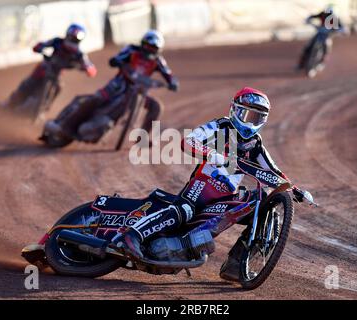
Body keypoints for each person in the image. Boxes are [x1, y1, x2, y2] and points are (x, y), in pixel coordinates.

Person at [115, 87, 307, 282]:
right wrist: (212, 154)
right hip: (202, 187)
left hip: (225, 197)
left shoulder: (256, 144)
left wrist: (295, 189)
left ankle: (236, 264)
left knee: (260, 209)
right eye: (247, 114)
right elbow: (188, 141)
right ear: (235, 110)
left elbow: (274, 172)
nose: (250, 122)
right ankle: (133, 236)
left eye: (256, 118)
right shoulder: (220, 125)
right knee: (184, 210)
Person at [46, 29, 179, 140]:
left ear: (158, 50)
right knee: (95, 99)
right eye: (148, 46)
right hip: (117, 86)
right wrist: (116, 61)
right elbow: (118, 57)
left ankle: (142, 139)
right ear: (142, 44)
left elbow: (168, 74)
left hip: (138, 92)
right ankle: (67, 126)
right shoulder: (132, 50)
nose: (149, 50)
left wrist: (172, 83)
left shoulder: (158, 61)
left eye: (153, 48)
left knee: (156, 106)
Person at [1, 24, 96, 110]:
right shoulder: (57, 41)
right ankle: (10, 103)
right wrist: (39, 47)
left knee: (59, 87)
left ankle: (45, 107)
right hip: (45, 68)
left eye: (75, 39)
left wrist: (89, 69)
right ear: (68, 35)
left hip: (57, 74)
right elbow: (43, 44)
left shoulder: (79, 54)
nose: (72, 41)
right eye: (72, 38)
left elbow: (89, 65)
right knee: (28, 84)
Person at [297, 5, 346, 72]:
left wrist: (340, 30)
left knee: (327, 49)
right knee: (307, 47)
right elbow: (313, 16)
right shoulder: (322, 14)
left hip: (327, 35)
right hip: (319, 33)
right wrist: (308, 19)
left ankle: (321, 63)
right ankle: (301, 64)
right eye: (327, 14)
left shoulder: (336, 19)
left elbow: (342, 27)